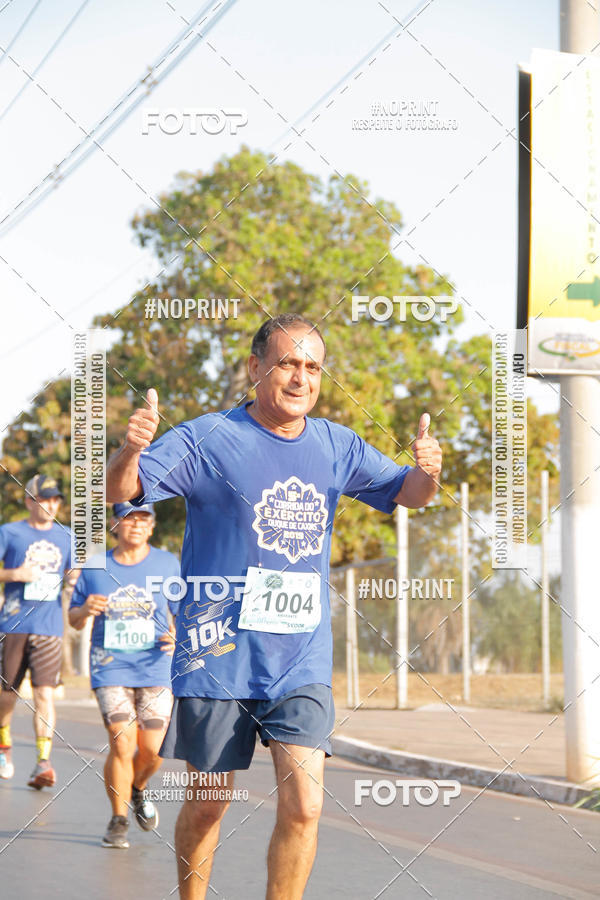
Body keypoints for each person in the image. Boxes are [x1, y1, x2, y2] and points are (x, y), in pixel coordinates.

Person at [106, 313, 442, 898]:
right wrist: (130, 449)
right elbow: (121, 491)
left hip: (301, 659)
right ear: (256, 367)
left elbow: (409, 493)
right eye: (287, 362)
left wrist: (428, 472)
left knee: (306, 804)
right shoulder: (207, 438)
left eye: (312, 367)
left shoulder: (337, 445)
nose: (300, 378)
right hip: (218, 656)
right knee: (209, 807)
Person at [69, 501, 180, 849]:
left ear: (152, 526)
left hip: (156, 667)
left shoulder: (167, 563)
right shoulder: (96, 566)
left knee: (154, 749)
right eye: (128, 518)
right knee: (122, 739)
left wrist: (177, 635)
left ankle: (138, 787)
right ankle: (118, 820)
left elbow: (183, 612)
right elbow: (74, 618)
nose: (135, 524)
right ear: (116, 524)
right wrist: (85, 609)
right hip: (110, 665)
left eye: (143, 518)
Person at [0, 474, 77, 789]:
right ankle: (4, 747)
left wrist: (73, 581)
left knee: (45, 694)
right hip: (14, 624)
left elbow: (74, 574)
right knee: (7, 696)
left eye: (55, 499)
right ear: (29, 501)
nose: (51, 504)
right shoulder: (10, 532)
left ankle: (42, 762)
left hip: (49, 628)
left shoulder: (68, 536)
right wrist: (14, 573)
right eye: (44, 499)